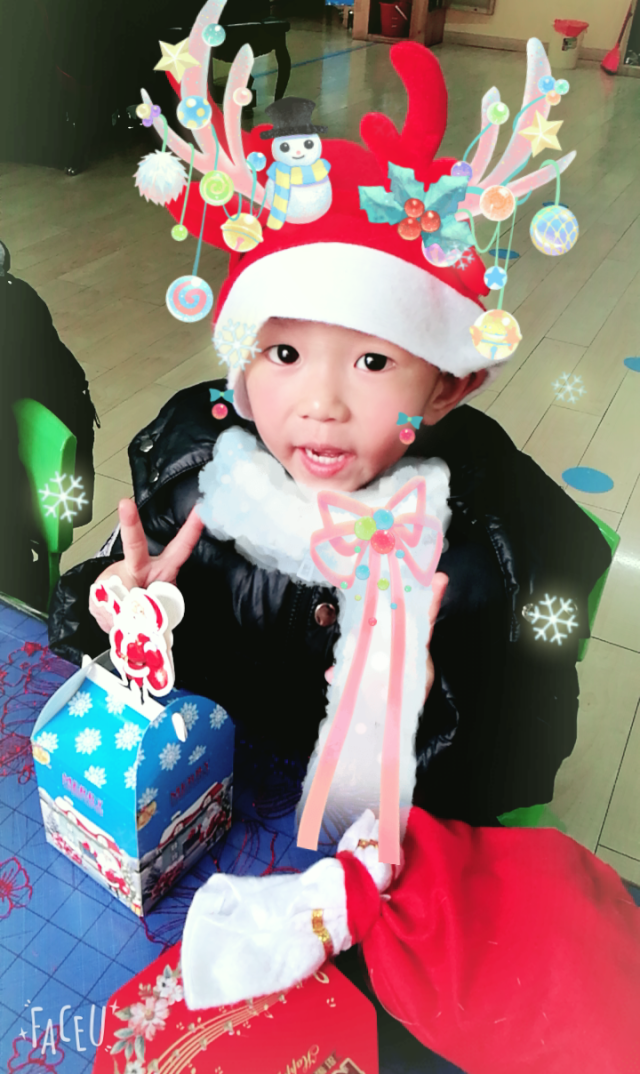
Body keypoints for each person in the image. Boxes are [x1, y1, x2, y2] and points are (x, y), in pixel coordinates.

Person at [48, 38, 611, 835]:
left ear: (446, 386)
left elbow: (521, 768)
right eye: (284, 354)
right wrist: (113, 607)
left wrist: (418, 711)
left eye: (374, 362)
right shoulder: (194, 461)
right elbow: (89, 608)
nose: (321, 404)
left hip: (368, 845)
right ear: (242, 361)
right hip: (203, 801)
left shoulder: (481, 546)